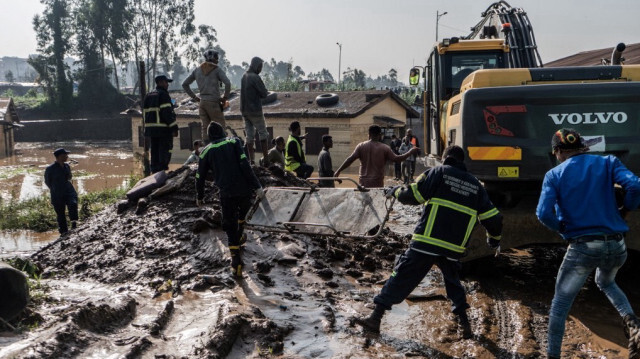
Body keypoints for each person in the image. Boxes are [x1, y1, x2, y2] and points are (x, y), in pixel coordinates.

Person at [353, 145, 503, 339]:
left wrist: (396, 191)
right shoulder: (475, 185)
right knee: (453, 283)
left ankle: (375, 318)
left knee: (402, 274)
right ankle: (465, 326)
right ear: (462, 161)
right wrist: (494, 240)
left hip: (427, 241)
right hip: (453, 246)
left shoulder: (438, 172)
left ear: (445, 157)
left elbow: (414, 195)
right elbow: (494, 218)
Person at [536, 128, 640, 359]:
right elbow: (635, 186)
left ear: (558, 152)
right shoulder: (608, 162)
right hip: (617, 245)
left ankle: (552, 355)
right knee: (605, 281)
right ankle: (632, 322)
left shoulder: (554, 175)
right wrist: (626, 210)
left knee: (560, 306)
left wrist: (563, 229)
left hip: (584, 247)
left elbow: (543, 213)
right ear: (582, 146)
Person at [196, 122, 264, 277]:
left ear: (209, 136)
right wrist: (257, 186)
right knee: (242, 216)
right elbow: (245, 165)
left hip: (227, 193)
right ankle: (240, 234)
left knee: (229, 226)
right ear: (222, 133)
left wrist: (199, 196)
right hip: (244, 190)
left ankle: (236, 262)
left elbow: (199, 177)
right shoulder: (234, 142)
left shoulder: (205, 152)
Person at [334, 125, 419, 188]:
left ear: (369, 135)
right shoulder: (385, 148)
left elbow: (350, 159)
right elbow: (397, 159)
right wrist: (410, 152)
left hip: (363, 183)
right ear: (380, 135)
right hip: (377, 184)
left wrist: (338, 171)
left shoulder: (361, 146)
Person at [182, 49, 231, 142]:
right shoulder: (217, 69)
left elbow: (185, 84)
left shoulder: (197, 70)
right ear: (212, 58)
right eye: (216, 58)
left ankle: (206, 149)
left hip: (202, 103)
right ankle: (223, 150)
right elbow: (228, 83)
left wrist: (195, 98)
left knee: (205, 129)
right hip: (213, 103)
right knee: (220, 128)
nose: (218, 60)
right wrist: (225, 98)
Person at [143, 74, 178, 173]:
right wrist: (174, 128)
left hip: (151, 131)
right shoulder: (163, 95)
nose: (167, 85)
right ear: (160, 83)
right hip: (163, 130)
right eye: (166, 82)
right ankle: (162, 172)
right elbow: (167, 113)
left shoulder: (148, 95)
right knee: (165, 151)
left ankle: (154, 172)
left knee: (154, 151)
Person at [241, 56, 270, 166]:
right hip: (255, 110)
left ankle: (251, 161)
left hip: (245, 111)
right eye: (260, 67)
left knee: (249, 136)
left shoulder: (244, 76)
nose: (261, 69)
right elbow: (263, 93)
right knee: (263, 133)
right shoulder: (255, 77)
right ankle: (266, 160)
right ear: (256, 66)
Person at [44, 148, 78, 235]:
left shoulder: (67, 166)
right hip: (57, 193)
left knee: (73, 203)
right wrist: (54, 188)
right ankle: (63, 231)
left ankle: (74, 223)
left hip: (68, 190)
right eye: (65, 155)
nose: (67, 156)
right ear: (59, 156)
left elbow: (69, 177)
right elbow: (47, 181)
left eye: (67, 155)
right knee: (60, 213)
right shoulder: (50, 169)